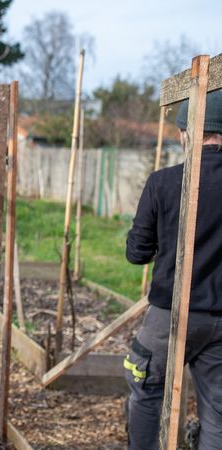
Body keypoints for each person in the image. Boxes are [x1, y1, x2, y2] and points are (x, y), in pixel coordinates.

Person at [125, 90, 222, 450]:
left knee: (147, 388)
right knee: (217, 413)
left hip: (171, 315)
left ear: (186, 133)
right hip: (221, 320)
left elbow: (137, 253)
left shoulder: (164, 182)